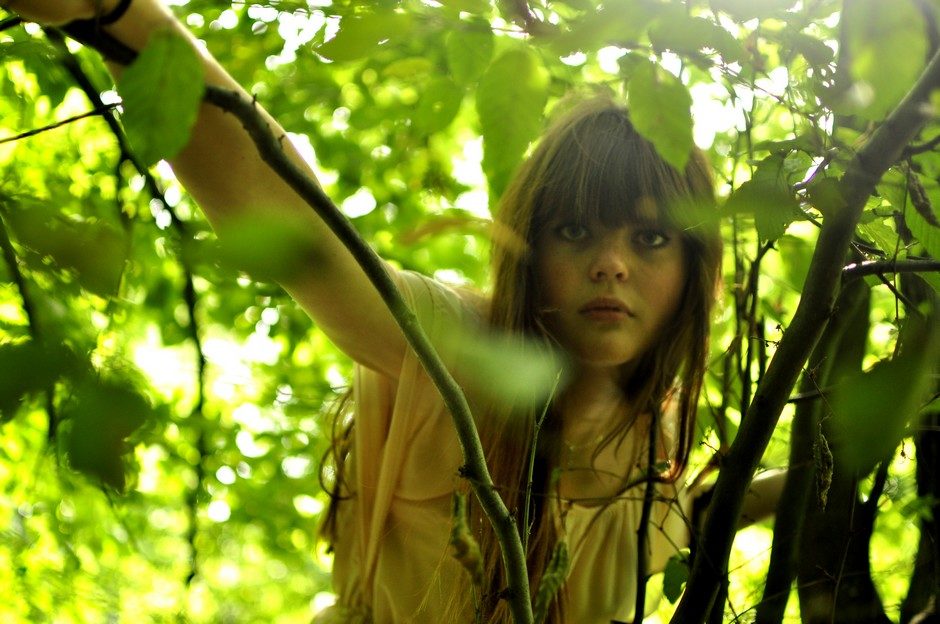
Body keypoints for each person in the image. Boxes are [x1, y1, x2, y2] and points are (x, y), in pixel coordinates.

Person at [5, 1, 731, 622]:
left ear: (694, 268)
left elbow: (685, 519)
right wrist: (122, 15)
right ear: (528, 250)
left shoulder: (659, 438)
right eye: (574, 230)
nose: (611, 264)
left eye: (650, 238)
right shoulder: (460, 344)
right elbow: (303, 234)